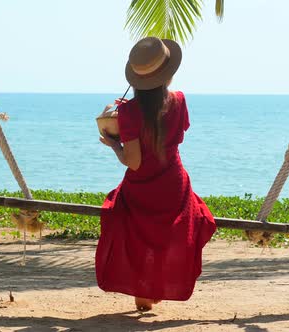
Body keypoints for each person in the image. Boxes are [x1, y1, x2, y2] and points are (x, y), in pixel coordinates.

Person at [96, 37, 216, 312]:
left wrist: (114, 143)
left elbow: (134, 162)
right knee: (168, 232)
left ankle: (143, 289)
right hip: (174, 183)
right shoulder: (179, 101)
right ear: (167, 76)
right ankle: (153, 287)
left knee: (128, 223)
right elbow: (178, 134)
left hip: (141, 187)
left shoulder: (128, 111)